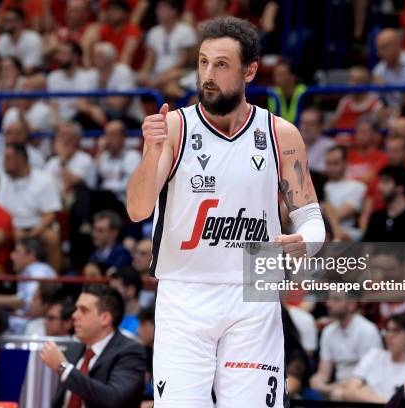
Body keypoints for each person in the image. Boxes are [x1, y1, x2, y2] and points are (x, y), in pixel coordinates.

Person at [126, 17, 325, 407]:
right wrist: (150, 155)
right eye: (202, 62)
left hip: (253, 295)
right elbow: (137, 210)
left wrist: (309, 243)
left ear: (250, 70)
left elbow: (309, 215)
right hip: (184, 293)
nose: (208, 75)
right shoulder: (175, 128)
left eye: (221, 64)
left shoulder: (281, 134)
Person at [40, 284, 147, 408]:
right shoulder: (74, 349)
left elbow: (113, 398)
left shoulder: (130, 352)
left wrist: (64, 369)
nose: (74, 315)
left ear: (105, 318)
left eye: (83, 310)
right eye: (76, 309)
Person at [0, 143, 62, 270]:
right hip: (11, 226)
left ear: (20, 159)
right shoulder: (2, 180)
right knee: (9, 237)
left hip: (38, 226)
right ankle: (13, 281)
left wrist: (33, 233)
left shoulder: (44, 179)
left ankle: (53, 281)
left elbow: (50, 214)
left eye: (8, 159)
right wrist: (13, 229)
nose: (4, 163)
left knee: (52, 238)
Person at [332, 312, 405, 403]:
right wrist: (389, 403)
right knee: (337, 394)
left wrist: (365, 391)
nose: (389, 336)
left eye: (396, 331)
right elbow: (350, 390)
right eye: (387, 330)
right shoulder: (374, 355)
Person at [309, 293, 382, 398]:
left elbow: (367, 377)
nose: (328, 304)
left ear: (351, 305)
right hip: (336, 386)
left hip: (363, 387)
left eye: (336, 299)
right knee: (311, 391)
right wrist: (317, 381)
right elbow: (324, 372)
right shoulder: (328, 331)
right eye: (329, 299)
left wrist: (329, 387)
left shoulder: (367, 330)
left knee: (337, 394)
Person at [138, 0, 197, 98]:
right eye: (158, 9)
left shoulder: (185, 31)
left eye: (162, 9)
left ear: (174, 11)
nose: (157, 12)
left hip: (180, 72)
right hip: (158, 75)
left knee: (171, 83)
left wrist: (162, 77)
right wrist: (144, 72)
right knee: (141, 78)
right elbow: (149, 60)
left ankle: (152, 87)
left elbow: (182, 62)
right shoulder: (153, 32)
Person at [364, 165, 405, 242]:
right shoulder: (376, 217)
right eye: (380, 182)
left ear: (400, 187)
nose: (379, 187)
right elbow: (366, 250)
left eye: (386, 182)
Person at [323, 146, 367, 240]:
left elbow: (338, 215)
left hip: (344, 233)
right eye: (328, 163)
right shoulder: (321, 185)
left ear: (345, 163)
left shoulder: (357, 186)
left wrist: (326, 208)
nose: (331, 168)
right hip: (320, 231)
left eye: (335, 163)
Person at [44, 121, 98, 195]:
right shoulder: (52, 162)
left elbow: (71, 186)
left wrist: (63, 161)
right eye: (61, 135)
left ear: (77, 139)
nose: (64, 140)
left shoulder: (85, 160)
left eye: (68, 135)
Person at [96, 120, 142, 202]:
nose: (108, 139)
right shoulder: (103, 156)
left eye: (112, 135)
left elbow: (130, 185)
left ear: (123, 137)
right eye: (106, 135)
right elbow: (93, 181)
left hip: (123, 201)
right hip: (104, 199)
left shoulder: (133, 156)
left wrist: (107, 190)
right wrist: (99, 151)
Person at [0, 7, 43, 73]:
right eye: (4, 20)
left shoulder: (33, 39)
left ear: (19, 22)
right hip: (7, 76)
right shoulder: (2, 39)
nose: (4, 24)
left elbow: (30, 69)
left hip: (29, 76)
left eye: (8, 20)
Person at [299, 108, 335, 174]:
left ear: (320, 126)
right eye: (303, 123)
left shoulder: (329, 146)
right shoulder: (292, 144)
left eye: (311, 124)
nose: (306, 127)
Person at [109, 266, 142, 336]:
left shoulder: (144, 321)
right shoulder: (111, 317)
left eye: (115, 289)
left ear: (131, 290)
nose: (110, 294)